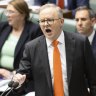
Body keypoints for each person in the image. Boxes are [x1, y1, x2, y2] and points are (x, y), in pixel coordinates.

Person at [13, 4, 96, 96]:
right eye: (42, 21)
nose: (45, 24)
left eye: (49, 20)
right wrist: (18, 81)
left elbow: (93, 79)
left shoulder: (81, 42)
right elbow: (23, 76)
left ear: (61, 21)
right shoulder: (31, 47)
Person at [0, 0, 42, 94]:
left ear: (22, 14)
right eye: (7, 11)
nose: (7, 15)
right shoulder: (3, 27)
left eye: (11, 12)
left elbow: (35, 61)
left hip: (21, 79)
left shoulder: (34, 31)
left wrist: (13, 74)